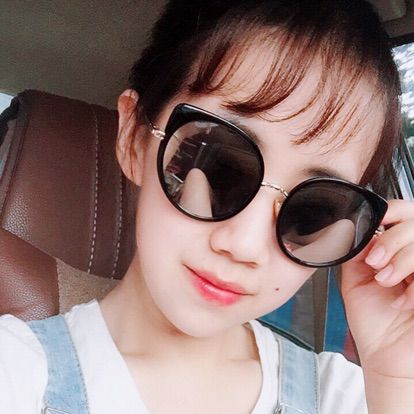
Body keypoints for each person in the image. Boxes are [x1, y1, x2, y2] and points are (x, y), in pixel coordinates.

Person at [1, 0, 414, 413]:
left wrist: (398, 381)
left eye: (314, 210)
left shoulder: (355, 395)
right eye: (217, 167)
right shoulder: (16, 371)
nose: (245, 245)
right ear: (134, 140)